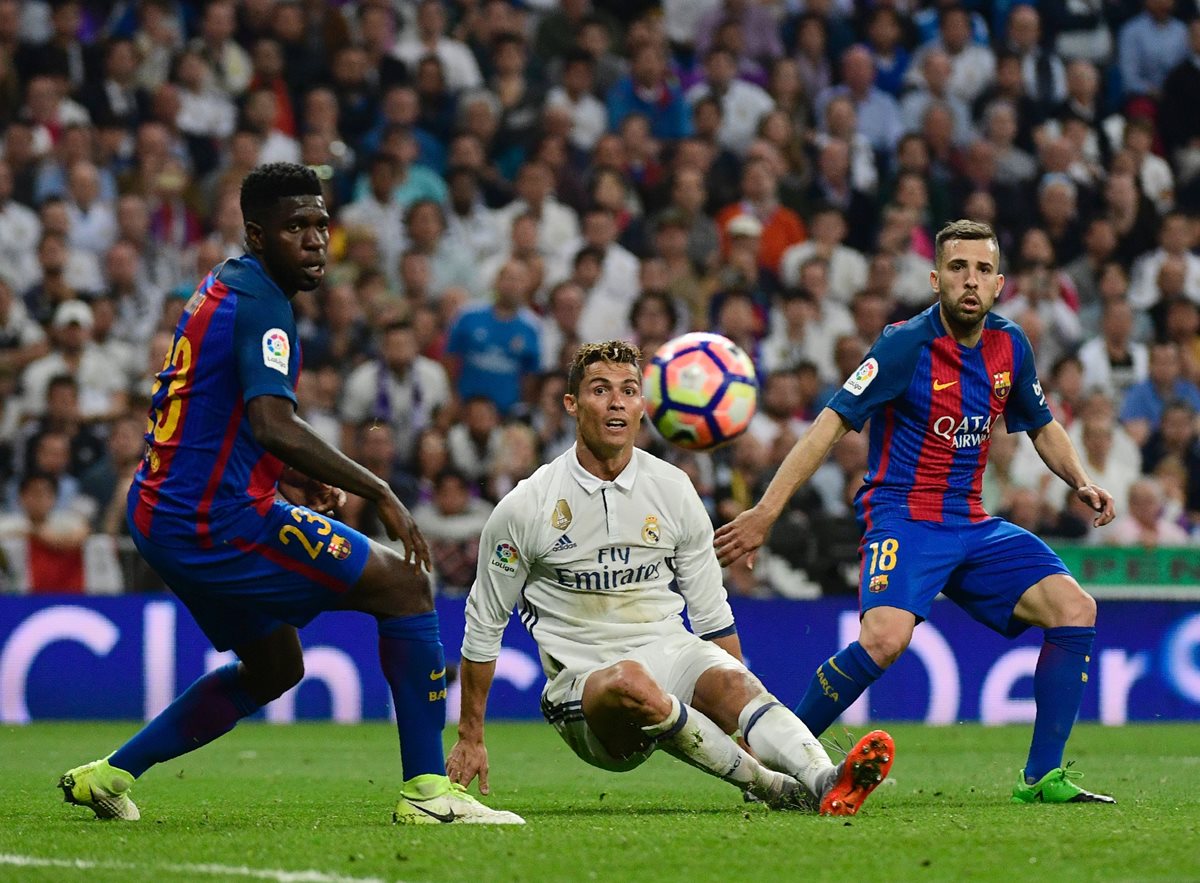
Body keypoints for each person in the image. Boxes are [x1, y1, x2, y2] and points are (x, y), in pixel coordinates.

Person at [58, 163, 522, 826]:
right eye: (295, 226)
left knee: (274, 666)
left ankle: (109, 775)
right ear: (257, 232)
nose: (314, 239)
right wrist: (377, 486)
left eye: (320, 224)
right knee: (405, 588)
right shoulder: (264, 304)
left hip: (163, 511)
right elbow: (271, 422)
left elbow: (220, 413)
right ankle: (428, 791)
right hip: (215, 519)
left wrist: (299, 478)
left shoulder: (226, 282)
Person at [715, 220, 1118, 806]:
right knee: (884, 639)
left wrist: (1080, 479)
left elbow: (1042, 424)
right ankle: (775, 763)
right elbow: (828, 426)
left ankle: (1042, 779)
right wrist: (766, 511)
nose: (970, 280)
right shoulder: (904, 345)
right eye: (958, 268)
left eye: (982, 269)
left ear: (1000, 283)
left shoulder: (1012, 346)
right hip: (904, 517)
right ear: (935, 279)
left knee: (1075, 608)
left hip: (972, 521)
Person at [447, 340, 895, 816]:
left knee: (736, 686)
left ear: (643, 406)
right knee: (631, 680)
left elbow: (710, 613)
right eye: (600, 390)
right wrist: (470, 736)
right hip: (587, 686)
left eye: (629, 390)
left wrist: (734, 719)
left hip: (669, 651)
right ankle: (770, 787)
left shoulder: (674, 490)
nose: (616, 401)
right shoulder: (526, 506)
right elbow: (485, 623)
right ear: (572, 405)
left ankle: (826, 777)